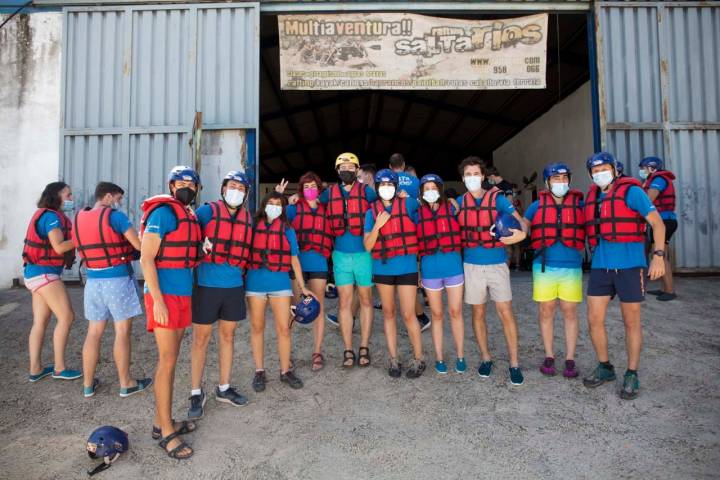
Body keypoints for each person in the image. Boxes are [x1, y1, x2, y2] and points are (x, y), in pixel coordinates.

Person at [583, 152, 666, 400]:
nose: (600, 174)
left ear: (615, 169)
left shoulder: (632, 191)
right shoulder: (593, 197)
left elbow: (658, 224)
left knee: (631, 321)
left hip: (630, 265)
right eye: (595, 171)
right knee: (594, 319)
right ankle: (605, 366)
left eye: (604, 169)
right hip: (601, 265)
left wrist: (658, 255)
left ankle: (632, 372)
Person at [140, 166, 202, 459]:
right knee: (167, 361)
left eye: (191, 183)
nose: (186, 187)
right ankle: (167, 432)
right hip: (163, 296)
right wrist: (158, 300)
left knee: (172, 359)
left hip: (182, 293)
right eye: (181, 182)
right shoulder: (163, 213)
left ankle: (160, 421)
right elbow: (146, 258)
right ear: (171, 185)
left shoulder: (188, 215)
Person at [73, 182, 151, 398]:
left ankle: (88, 385)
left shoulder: (79, 218)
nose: (119, 202)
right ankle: (126, 383)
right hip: (117, 280)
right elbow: (138, 245)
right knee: (122, 332)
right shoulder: (115, 217)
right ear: (107, 196)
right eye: (118, 198)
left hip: (93, 281)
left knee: (94, 332)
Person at [456, 156, 528, 385]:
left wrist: (517, 236)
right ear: (463, 178)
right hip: (472, 265)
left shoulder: (497, 199)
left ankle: (514, 362)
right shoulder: (459, 202)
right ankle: (485, 358)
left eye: (476, 174)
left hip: (496, 263)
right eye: (468, 174)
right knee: (478, 313)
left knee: (505, 311)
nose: (472, 178)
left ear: (483, 176)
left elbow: (521, 225)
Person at [188, 171, 252, 420]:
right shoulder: (206, 212)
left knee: (228, 336)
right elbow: (187, 240)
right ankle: (195, 391)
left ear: (246, 194)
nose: (236, 191)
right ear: (224, 189)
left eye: (241, 187)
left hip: (234, 286)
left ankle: (224, 387)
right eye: (232, 186)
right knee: (200, 340)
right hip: (205, 285)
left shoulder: (247, 217)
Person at [520, 163, 585, 379]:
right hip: (544, 266)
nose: (560, 183)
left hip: (571, 266)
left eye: (564, 178)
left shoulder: (579, 205)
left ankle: (570, 358)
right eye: (556, 179)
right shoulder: (536, 206)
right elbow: (522, 228)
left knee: (569, 311)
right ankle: (549, 355)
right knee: (546, 310)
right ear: (547, 183)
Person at [246, 191, 314, 391]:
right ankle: (259, 370)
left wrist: (303, 287)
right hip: (255, 283)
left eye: (278, 203)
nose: (274, 206)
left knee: (284, 329)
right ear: (264, 205)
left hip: (280, 284)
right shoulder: (252, 225)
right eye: (271, 202)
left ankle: (285, 371)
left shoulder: (287, 229)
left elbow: (294, 259)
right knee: (257, 327)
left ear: (283, 208)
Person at [363, 169, 425, 378]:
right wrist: (378, 227)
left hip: (407, 267)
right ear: (378, 187)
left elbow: (427, 214)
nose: (386, 188)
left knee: (408, 314)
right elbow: (368, 246)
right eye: (383, 184)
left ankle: (419, 358)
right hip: (383, 268)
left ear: (396, 186)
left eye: (390, 184)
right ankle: (393, 358)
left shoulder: (408, 204)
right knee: (388, 313)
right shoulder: (371, 212)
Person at [320, 153, 377, 368]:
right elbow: (312, 204)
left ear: (356, 170)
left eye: (350, 167)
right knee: (344, 302)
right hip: (340, 256)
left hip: (364, 254)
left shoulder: (367, 193)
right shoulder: (329, 194)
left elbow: (384, 203)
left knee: (365, 300)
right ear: (337, 170)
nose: (346, 170)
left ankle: (364, 346)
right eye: (342, 166)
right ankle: (348, 348)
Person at [23, 182, 80, 383]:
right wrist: (82, 238)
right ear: (56, 196)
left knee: (41, 322)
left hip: (33, 273)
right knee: (67, 317)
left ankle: (36, 369)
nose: (71, 198)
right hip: (44, 274)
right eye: (68, 194)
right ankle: (59, 367)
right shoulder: (51, 217)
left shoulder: (45, 214)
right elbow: (58, 247)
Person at [416, 174, 466, 374]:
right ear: (421, 192)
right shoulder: (416, 212)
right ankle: (439, 357)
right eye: (426, 188)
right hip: (430, 270)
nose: (430, 191)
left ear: (440, 189)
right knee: (436, 314)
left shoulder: (454, 207)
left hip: (453, 267)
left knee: (456, 312)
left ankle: (460, 355)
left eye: (433, 187)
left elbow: (473, 199)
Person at [286, 171, 333, 372]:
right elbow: (273, 221)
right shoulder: (293, 209)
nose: (310, 190)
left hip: (319, 264)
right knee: (294, 309)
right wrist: (285, 199)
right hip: (297, 265)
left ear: (319, 189)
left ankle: (317, 351)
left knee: (318, 307)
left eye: (314, 186)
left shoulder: (326, 209)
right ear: (301, 190)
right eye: (306, 187)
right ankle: (286, 353)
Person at [388, 153, 430, 331]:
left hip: (394, 233)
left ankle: (420, 318)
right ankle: (420, 317)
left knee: (404, 280)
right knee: (409, 276)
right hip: (414, 232)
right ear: (404, 165)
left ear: (390, 167)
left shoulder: (387, 180)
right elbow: (424, 203)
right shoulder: (415, 181)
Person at [639, 156, 678, 301]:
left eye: (643, 168)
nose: (641, 171)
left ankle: (669, 290)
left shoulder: (658, 180)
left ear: (651, 168)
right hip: (665, 221)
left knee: (661, 256)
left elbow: (648, 200)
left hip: (664, 222)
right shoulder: (656, 179)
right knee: (661, 255)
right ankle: (663, 288)